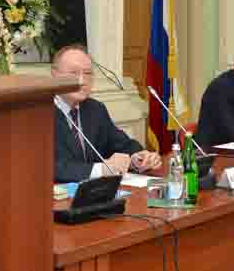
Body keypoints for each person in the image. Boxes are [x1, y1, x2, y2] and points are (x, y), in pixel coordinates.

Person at [51, 44, 161, 182]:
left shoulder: (95, 109)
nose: (82, 80)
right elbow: (52, 168)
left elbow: (121, 144)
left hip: (94, 195)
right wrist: (102, 169)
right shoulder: (38, 114)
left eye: (88, 73)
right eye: (73, 73)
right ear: (54, 75)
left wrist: (137, 158)